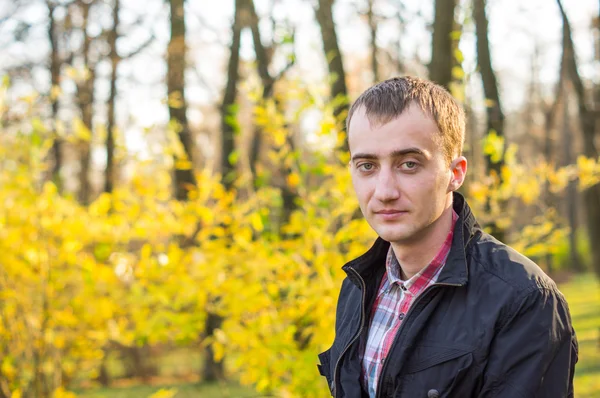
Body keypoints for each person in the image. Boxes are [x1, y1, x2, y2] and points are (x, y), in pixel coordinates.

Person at [317, 76, 578, 398]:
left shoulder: (524, 300)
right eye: (367, 166)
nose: (384, 192)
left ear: (455, 173)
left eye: (409, 164)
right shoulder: (358, 285)